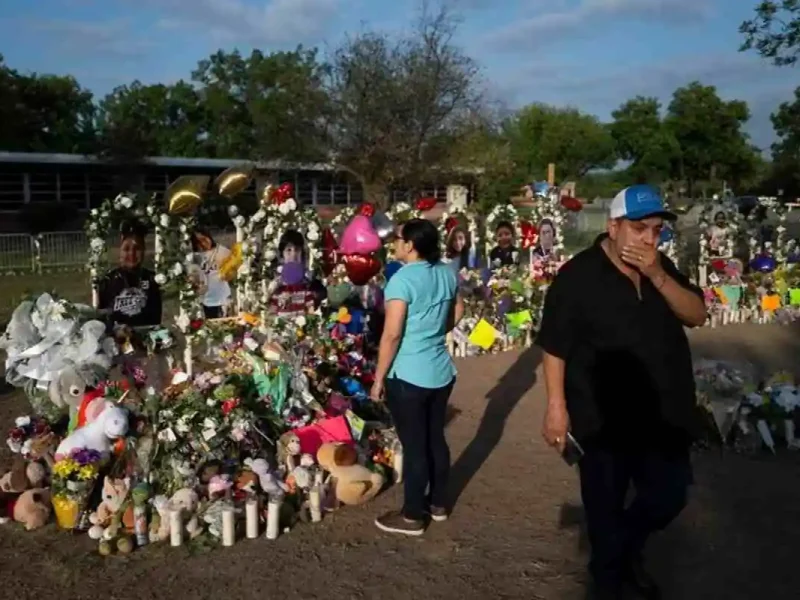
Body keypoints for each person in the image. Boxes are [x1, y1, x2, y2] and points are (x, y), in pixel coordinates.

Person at [536, 185, 707, 600]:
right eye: (639, 229)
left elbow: (697, 315)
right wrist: (556, 408)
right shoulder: (577, 277)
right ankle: (610, 578)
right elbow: (555, 346)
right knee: (604, 508)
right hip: (602, 416)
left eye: (656, 230)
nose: (649, 239)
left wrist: (658, 276)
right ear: (613, 227)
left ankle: (620, 553)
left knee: (669, 495)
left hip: (663, 411)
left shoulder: (660, 267)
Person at [370, 218, 464, 536]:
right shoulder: (446, 272)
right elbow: (459, 310)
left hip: (408, 373)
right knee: (435, 438)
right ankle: (437, 503)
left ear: (409, 245)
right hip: (440, 370)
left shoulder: (402, 280)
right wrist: (435, 333)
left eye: (397, 239)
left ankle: (412, 515)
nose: (394, 244)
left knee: (414, 446)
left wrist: (378, 378)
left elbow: (392, 334)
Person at [98, 220, 162, 327]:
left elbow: (155, 319)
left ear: (144, 250)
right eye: (126, 249)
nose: (132, 253)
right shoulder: (107, 281)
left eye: (137, 249)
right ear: (120, 251)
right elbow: (101, 318)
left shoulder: (153, 280)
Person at [191, 228, 231, 319]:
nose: (203, 243)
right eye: (198, 242)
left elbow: (233, 273)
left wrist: (228, 275)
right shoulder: (196, 256)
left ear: (209, 236)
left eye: (204, 239)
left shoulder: (223, 252)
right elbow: (194, 276)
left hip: (223, 298)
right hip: (206, 300)